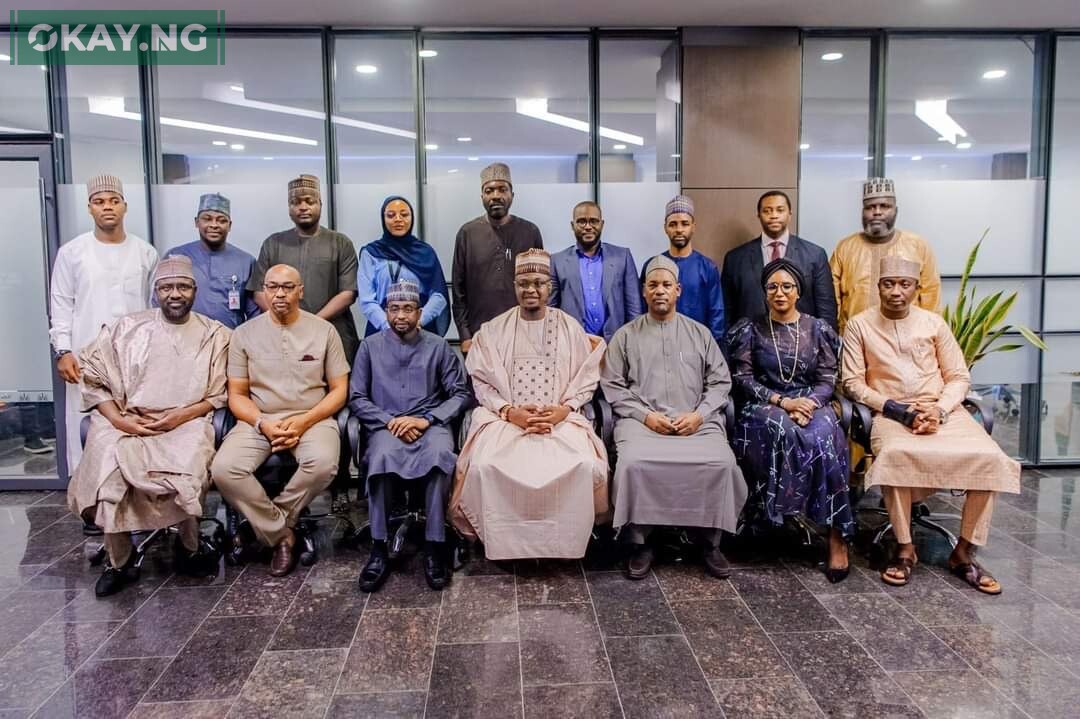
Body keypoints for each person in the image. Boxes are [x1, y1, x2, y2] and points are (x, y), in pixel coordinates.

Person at [841, 256, 1021, 593]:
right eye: (888, 283)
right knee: (895, 454)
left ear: (916, 289)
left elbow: (957, 376)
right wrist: (898, 411)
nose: (896, 292)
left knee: (990, 457)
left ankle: (964, 553)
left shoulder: (934, 324)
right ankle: (905, 548)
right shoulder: (860, 325)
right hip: (890, 413)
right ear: (878, 287)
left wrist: (938, 410)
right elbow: (853, 383)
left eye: (904, 284)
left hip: (942, 412)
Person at [67, 256, 229, 597]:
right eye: (167, 287)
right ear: (155, 291)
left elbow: (219, 394)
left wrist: (179, 417)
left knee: (186, 468)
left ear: (194, 292)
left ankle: (189, 548)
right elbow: (96, 380)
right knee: (108, 474)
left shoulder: (214, 335)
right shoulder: (126, 329)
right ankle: (120, 563)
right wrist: (117, 419)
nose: (175, 294)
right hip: (126, 419)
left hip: (185, 420)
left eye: (182, 287)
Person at [449, 249, 608, 560]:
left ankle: (561, 544)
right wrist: (510, 412)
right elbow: (481, 382)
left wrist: (566, 408)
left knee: (585, 466)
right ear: (514, 285)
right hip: (506, 421)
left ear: (549, 286)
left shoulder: (568, 326)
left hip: (559, 421)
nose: (531, 290)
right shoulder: (494, 330)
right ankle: (506, 544)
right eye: (523, 283)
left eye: (538, 283)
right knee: (483, 467)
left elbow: (587, 376)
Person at [601, 255, 747, 580]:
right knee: (632, 465)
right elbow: (612, 385)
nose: (660, 291)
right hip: (643, 425)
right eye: (653, 285)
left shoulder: (700, 334)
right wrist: (645, 416)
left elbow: (721, 382)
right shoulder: (625, 336)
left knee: (721, 464)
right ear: (643, 291)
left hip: (697, 424)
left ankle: (710, 542)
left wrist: (700, 415)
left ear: (678, 290)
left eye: (666, 285)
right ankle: (640, 542)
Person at [212, 264, 350, 577]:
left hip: (313, 418)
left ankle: (263, 527)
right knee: (224, 469)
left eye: (288, 287)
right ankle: (282, 534)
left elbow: (340, 391)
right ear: (264, 291)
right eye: (273, 287)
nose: (280, 294)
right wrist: (262, 423)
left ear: (301, 291)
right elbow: (236, 394)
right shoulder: (244, 334)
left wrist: (304, 421)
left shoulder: (324, 331)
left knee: (324, 463)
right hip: (259, 420)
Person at [726, 258, 852, 582]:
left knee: (825, 435)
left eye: (787, 287)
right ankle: (771, 521)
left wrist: (807, 403)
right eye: (772, 287)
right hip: (764, 404)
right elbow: (743, 378)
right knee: (781, 427)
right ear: (765, 292)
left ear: (798, 291)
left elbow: (827, 378)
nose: (779, 293)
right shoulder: (750, 329)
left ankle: (837, 536)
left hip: (812, 401)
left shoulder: (817, 329)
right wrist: (783, 402)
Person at [349, 280, 471, 592]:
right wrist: (390, 421)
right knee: (380, 458)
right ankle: (379, 548)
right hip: (386, 427)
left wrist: (426, 419)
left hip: (430, 426)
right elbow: (358, 398)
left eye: (407, 309)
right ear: (385, 312)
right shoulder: (369, 347)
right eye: (394, 309)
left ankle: (434, 546)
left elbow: (459, 394)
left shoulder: (439, 346)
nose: (401, 315)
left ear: (419, 312)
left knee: (439, 457)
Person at [49, 174, 158, 473]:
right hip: (85, 356)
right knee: (85, 422)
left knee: (132, 420)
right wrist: (63, 350)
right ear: (89, 208)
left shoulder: (145, 252)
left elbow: (154, 308)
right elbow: (60, 304)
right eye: (99, 202)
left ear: (125, 206)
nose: (107, 207)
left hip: (134, 358)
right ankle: (88, 500)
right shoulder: (72, 253)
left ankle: (133, 490)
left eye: (113, 201)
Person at [248, 175, 360, 361]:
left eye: (309, 201)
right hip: (281, 333)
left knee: (338, 385)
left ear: (320, 204)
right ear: (289, 208)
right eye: (295, 202)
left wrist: (311, 323)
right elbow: (259, 291)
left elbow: (348, 293)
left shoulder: (340, 243)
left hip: (333, 330)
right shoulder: (273, 243)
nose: (303, 207)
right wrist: (286, 320)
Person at [451, 162, 543, 352]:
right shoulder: (467, 233)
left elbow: (541, 284)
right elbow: (458, 291)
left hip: (523, 334)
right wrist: (465, 335)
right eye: (489, 190)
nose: (496, 196)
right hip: (479, 335)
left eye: (502, 189)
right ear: (482, 196)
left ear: (512, 195)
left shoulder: (529, 232)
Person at [830, 178, 940, 335]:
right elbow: (832, 300)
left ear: (896, 210)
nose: (877, 212)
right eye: (870, 207)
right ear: (862, 211)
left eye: (885, 206)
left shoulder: (917, 246)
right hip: (855, 339)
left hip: (905, 340)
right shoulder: (845, 247)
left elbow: (931, 297)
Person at [721, 190, 837, 328]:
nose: (774, 216)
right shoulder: (735, 259)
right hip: (751, 344)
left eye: (780, 210)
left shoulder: (815, 255)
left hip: (802, 343)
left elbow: (826, 310)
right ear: (759, 215)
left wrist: (827, 344)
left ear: (789, 214)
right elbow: (727, 311)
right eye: (767, 211)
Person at [161, 192, 259, 329]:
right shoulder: (175, 257)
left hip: (229, 341)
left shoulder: (246, 262)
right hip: (184, 340)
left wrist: (243, 341)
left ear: (229, 225)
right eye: (207, 219)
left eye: (221, 220)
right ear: (196, 222)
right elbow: (159, 303)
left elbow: (254, 313)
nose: (214, 225)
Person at [549, 200, 643, 342]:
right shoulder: (557, 261)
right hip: (573, 344)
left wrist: (632, 344)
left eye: (594, 221)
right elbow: (550, 310)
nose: (588, 227)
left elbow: (634, 308)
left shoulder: (622, 257)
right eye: (581, 221)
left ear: (602, 224)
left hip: (615, 344)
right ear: (572, 225)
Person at [358, 196, 450, 338]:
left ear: (412, 217)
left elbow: (438, 294)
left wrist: (417, 321)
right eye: (391, 215)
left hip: (420, 330)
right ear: (383, 219)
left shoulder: (425, 252)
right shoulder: (371, 253)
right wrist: (389, 326)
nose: (398, 219)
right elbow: (367, 300)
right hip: (382, 332)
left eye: (404, 214)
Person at [642, 195, 725, 344]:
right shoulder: (653, 266)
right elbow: (642, 310)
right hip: (656, 343)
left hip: (696, 345)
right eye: (673, 224)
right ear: (665, 228)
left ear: (693, 226)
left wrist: (710, 349)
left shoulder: (707, 267)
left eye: (684, 224)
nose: (679, 229)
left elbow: (716, 314)